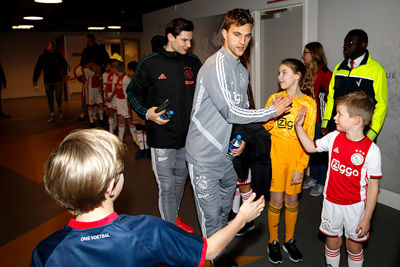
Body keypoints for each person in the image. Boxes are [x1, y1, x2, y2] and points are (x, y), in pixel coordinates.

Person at [30, 128, 265, 267]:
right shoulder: (147, 231)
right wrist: (242, 218)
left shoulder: (46, 251)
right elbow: (209, 250)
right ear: (111, 186)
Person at [184, 9, 292, 266]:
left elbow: (242, 112)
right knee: (210, 219)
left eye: (247, 35)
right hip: (203, 157)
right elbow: (231, 112)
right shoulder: (216, 65)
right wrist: (271, 112)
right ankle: (215, 258)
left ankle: (220, 256)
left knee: (224, 215)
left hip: (228, 156)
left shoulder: (241, 69)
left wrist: (240, 140)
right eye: (236, 34)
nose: (242, 41)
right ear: (224, 33)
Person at [126, 18, 201, 232]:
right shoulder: (150, 63)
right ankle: (169, 232)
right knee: (167, 187)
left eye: (190, 40)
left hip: (187, 138)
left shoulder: (194, 63)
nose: (189, 44)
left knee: (179, 182)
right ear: (170, 37)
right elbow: (132, 92)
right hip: (161, 137)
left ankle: (173, 218)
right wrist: (146, 113)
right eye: (184, 40)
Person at [294, 91, 381, 267]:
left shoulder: (371, 151)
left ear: (356, 120)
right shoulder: (333, 138)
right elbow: (311, 147)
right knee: (332, 242)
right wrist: (298, 127)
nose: (334, 117)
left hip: (355, 207)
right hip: (331, 204)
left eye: (339, 114)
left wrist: (367, 218)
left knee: (354, 246)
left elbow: (373, 188)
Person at [263, 58, 316, 264]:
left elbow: (309, 138)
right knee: (276, 200)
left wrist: (301, 166)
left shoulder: (309, 104)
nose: (279, 77)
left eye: (284, 72)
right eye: (278, 73)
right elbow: (265, 127)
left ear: (297, 75)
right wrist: (273, 113)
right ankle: (273, 241)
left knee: (292, 200)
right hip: (277, 156)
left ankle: (289, 240)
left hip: (296, 156)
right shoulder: (275, 98)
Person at [321, 29, 388, 142]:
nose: (346, 46)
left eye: (351, 43)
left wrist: (371, 133)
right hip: (336, 130)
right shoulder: (339, 68)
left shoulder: (376, 70)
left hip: (361, 133)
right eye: (345, 42)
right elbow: (332, 98)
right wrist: (326, 123)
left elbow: (381, 105)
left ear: (363, 45)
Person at [301, 42, 332, 196]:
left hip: (321, 120)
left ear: (314, 54)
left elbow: (331, 99)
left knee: (320, 151)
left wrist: (327, 123)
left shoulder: (325, 73)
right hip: (308, 119)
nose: (302, 55)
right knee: (311, 149)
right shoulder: (305, 72)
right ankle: (313, 177)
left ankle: (321, 181)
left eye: (305, 52)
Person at [33, 41, 68, 123]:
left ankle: (59, 109)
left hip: (58, 80)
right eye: (48, 45)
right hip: (48, 81)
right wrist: (35, 79)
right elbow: (37, 68)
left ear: (53, 46)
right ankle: (52, 113)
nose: (49, 47)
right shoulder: (42, 57)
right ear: (46, 47)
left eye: (50, 45)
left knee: (58, 96)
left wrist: (65, 73)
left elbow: (64, 64)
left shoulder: (58, 55)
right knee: (50, 97)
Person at [126, 61, 149, 158]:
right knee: (139, 128)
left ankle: (146, 149)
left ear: (132, 71)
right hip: (135, 108)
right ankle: (142, 148)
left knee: (144, 128)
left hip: (142, 108)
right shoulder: (132, 80)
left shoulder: (141, 79)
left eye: (129, 71)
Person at [111, 61, 137, 142]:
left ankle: (135, 139)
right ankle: (120, 140)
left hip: (126, 102)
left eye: (113, 68)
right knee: (120, 121)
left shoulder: (126, 78)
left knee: (130, 121)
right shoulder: (117, 78)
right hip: (119, 101)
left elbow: (132, 90)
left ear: (116, 68)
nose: (112, 70)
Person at [102, 60, 117, 133]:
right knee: (110, 112)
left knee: (117, 112)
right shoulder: (107, 75)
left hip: (114, 96)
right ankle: (111, 130)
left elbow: (116, 87)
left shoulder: (116, 75)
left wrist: (111, 96)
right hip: (109, 95)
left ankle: (116, 127)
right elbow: (105, 86)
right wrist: (106, 96)